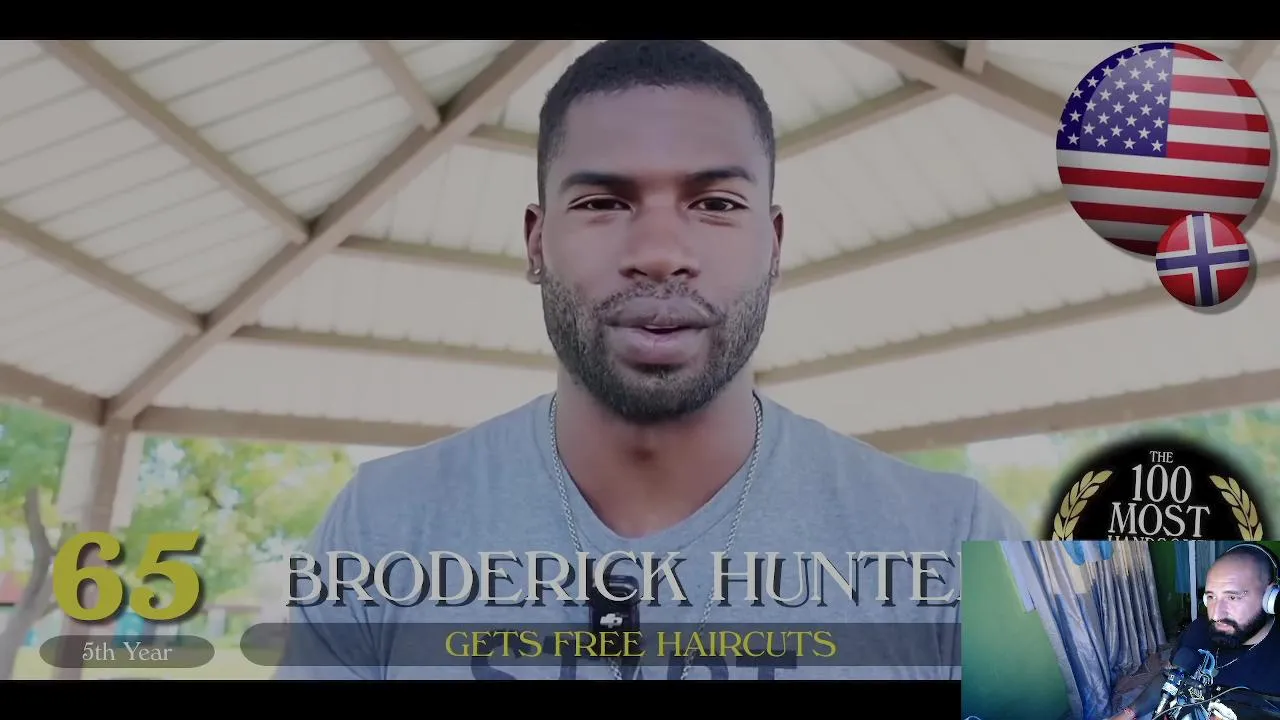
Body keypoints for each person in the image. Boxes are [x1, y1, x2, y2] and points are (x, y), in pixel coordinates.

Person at [273, 39, 1024, 681]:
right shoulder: (381, 526)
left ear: (774, 245)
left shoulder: (959, 543)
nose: (660, 253)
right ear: (536, 243)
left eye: (716, 204)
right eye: (603, 203)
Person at [1108, 543, 1280, 720]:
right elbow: (1170, 677)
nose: (1216, 615)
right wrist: (1128, 713)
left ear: (1270, 597)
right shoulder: (1198, 629)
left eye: (1232, 597)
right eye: (1211, 597)